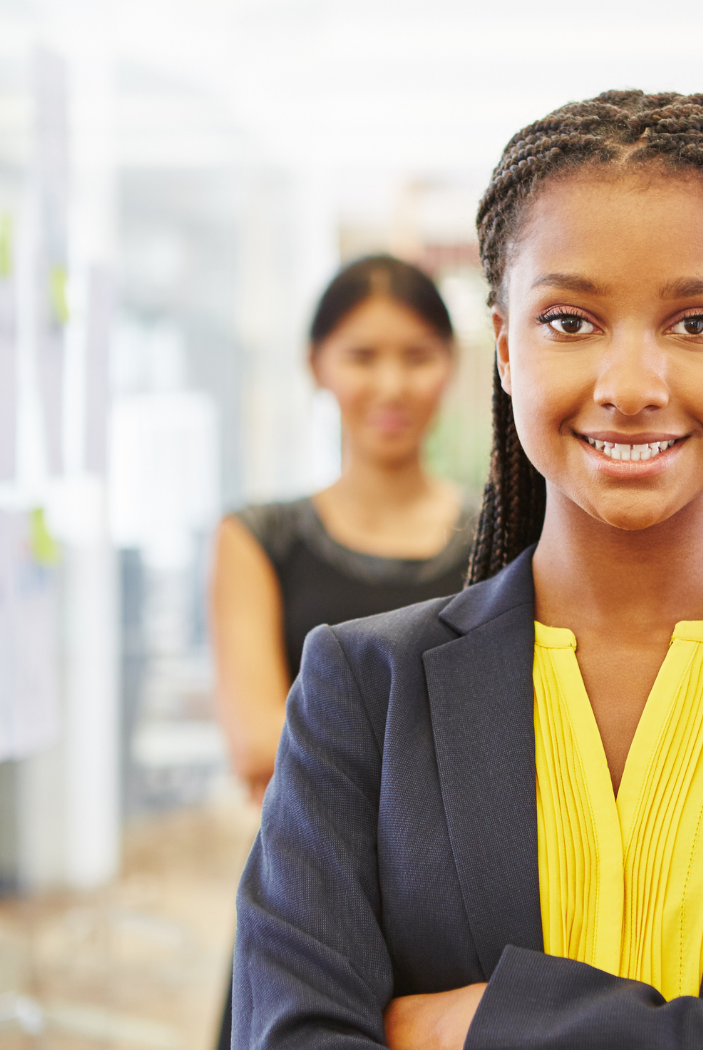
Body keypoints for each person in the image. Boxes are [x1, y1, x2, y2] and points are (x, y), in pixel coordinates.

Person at [232, 91, 703, 1050]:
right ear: (505, 347)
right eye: (569, 320)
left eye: (695, 323)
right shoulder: (361, 690)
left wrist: (481, 1026)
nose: (632, 387)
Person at [210, 255, 474, 1049]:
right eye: (362, 355)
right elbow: (258, 745)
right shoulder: (260, 539)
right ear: (316, 366)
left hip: (465, 927)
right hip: (306, 907)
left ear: (453, 368)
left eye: (416, 355)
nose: (390, 385)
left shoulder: (507, 538)